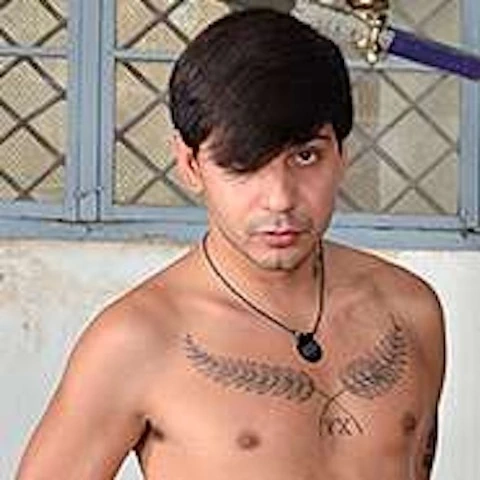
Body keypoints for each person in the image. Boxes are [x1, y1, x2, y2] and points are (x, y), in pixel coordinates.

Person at [16, 8, 445, 480]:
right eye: (244, 166)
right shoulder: (135, 340)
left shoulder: (411, 310)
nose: (280, 198)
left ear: (343, 155)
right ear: (190, 164)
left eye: (306, 157)